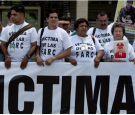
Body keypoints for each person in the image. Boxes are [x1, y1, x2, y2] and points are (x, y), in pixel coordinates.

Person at [0, 5, 37, 69]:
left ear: (22, 15)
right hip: (10, 62)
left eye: (15, 15)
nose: (12, 17)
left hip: (26, 62)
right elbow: (3, 44)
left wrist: (27, 57)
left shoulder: (31, 29)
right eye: (11, 15)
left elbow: (34, 45)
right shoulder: (7, 29)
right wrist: (6, 56)